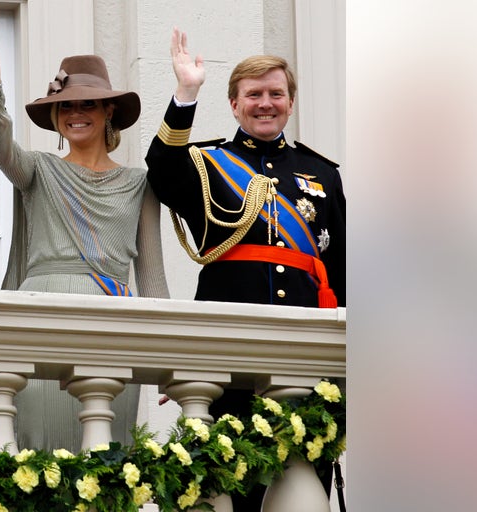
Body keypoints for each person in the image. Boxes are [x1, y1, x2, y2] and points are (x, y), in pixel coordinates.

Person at [145, 28, 346, 508]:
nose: (265, 103)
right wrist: (185, 93)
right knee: (225, 486)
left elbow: (340, 268)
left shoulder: (322, 173)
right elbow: (162, 169)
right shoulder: (210, 163)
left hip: (305, 351)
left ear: (290, 103)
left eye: (276, 93)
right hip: (227, 349)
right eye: (253, 94)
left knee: (301, 480)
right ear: (234, 105)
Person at [0, 24, 169, 453]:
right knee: (37, 454)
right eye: (66, 105)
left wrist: (166, 356)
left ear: (109, 112)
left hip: (112, 321)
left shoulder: (142, 183)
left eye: (88, 104)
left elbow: (153, 277)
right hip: (38, 316)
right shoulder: (38, 169)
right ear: (55, 115)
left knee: (104, 460)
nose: (76, 112)